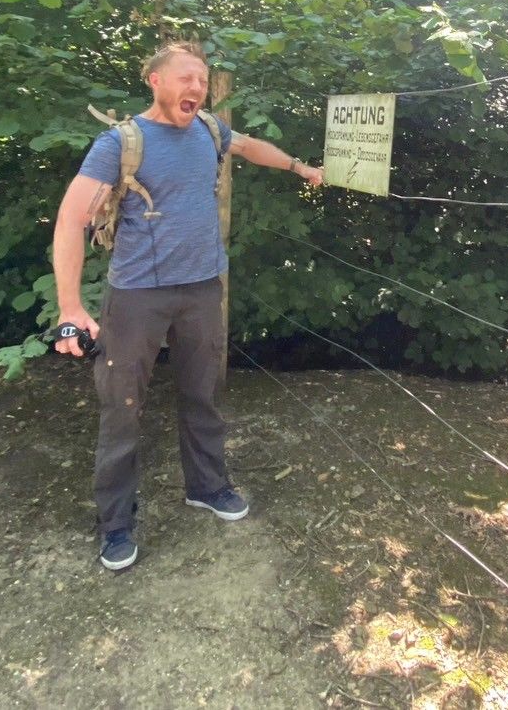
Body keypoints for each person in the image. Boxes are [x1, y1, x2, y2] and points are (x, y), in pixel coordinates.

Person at [52, 41, 323, 571]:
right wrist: (69, 306)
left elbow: (249, 146)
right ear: (155, 81)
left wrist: (298, 166)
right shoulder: (120, 143)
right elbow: (71, 220)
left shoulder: (209, 131)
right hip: (137, 297)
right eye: (186, 78)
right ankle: (115, 524)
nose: (197, 88)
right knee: (123, 407)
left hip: (201, 290)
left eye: (201, 80)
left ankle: (208, 486)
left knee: (203, 393)